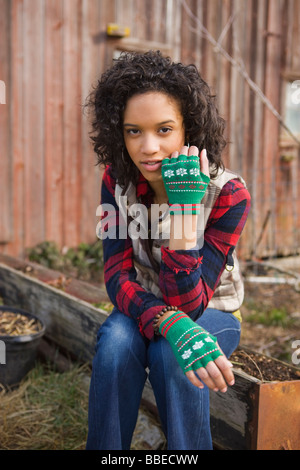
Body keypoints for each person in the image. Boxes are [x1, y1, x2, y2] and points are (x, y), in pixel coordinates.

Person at [85, 50, 251, 451]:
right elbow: (117, 276)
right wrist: (167, 321)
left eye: (163, 130)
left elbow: (190, 307)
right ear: (118, 133)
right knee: (115, 345)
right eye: (133, 131)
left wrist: (182, 214)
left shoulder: (229, 194)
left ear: (187, 129)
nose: (148, 148)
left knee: (173, 356)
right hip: (140, 299)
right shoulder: (117, 181)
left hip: (213, 310)